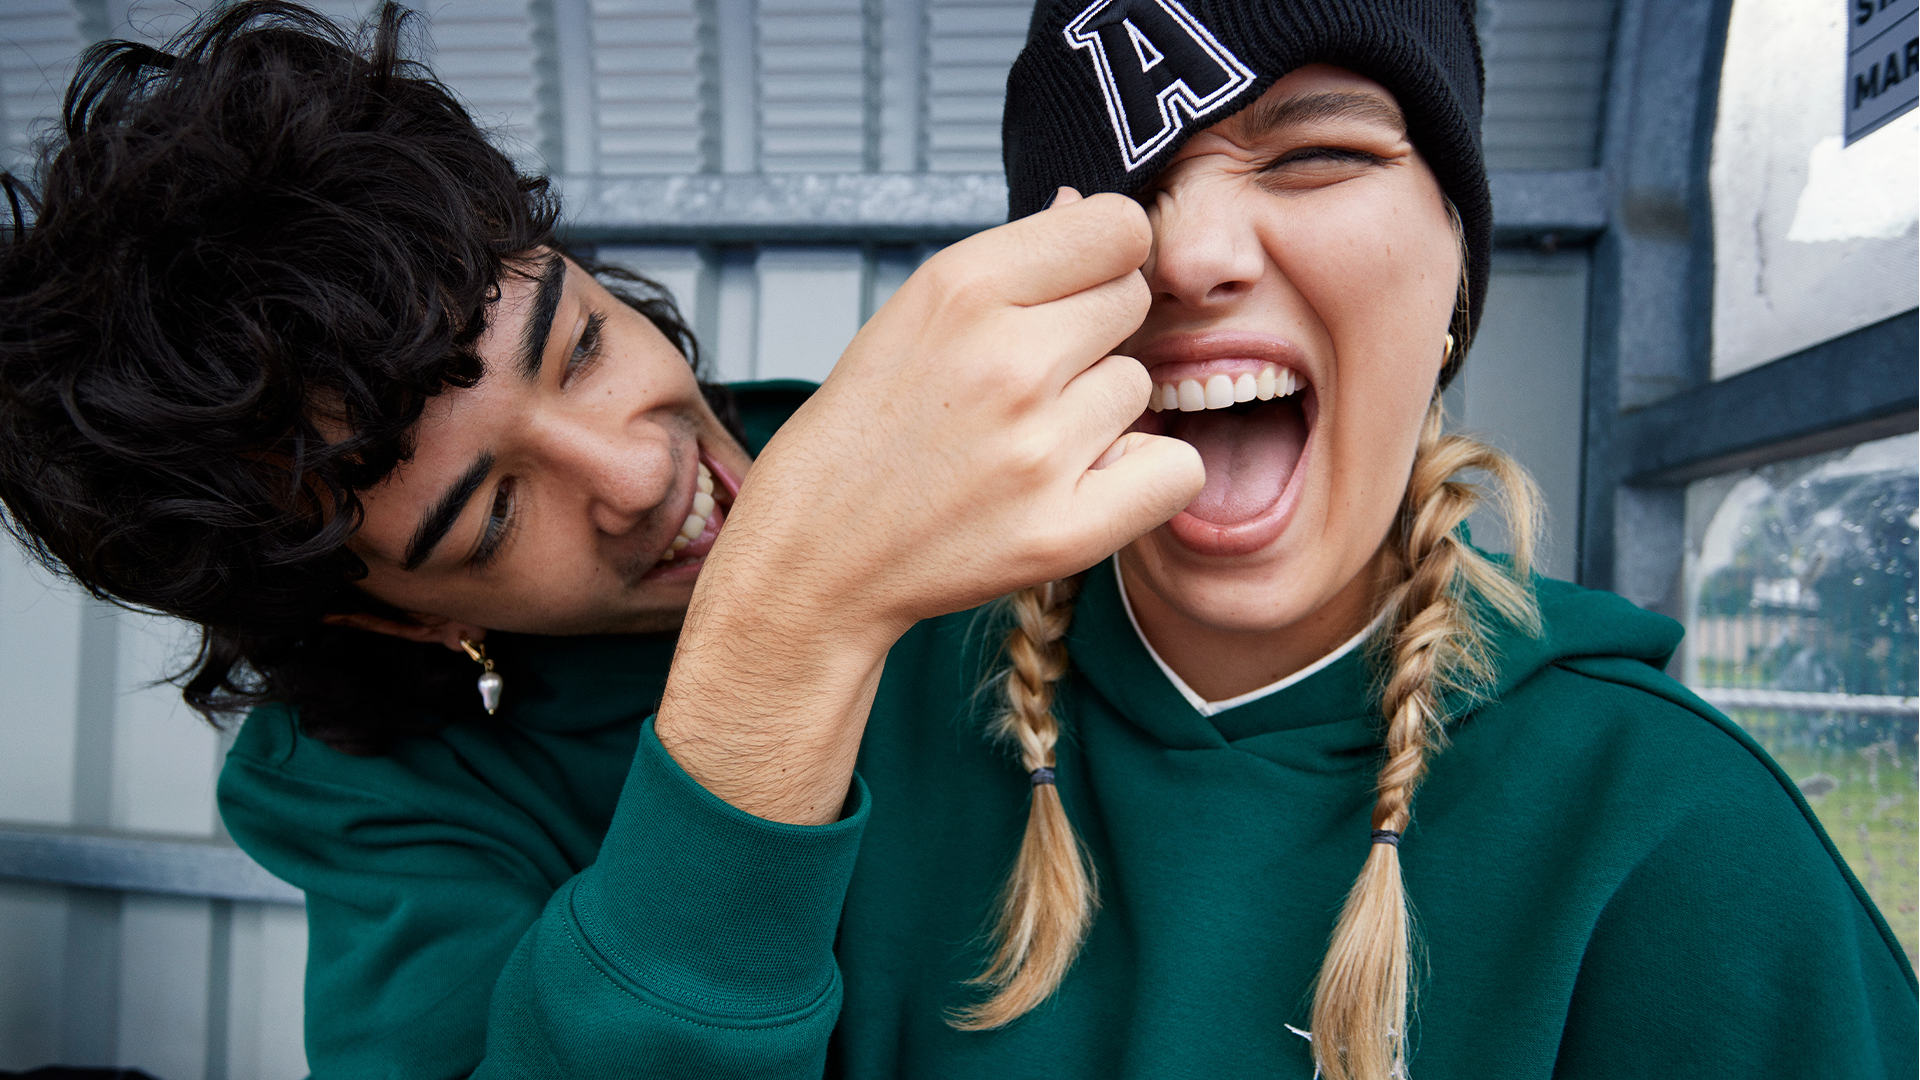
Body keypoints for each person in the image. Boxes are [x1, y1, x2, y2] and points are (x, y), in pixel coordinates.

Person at [5, 5, 1912, 1080]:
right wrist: (787, 637)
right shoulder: (381, 784)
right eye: (490, 511)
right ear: (395, 625)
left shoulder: (1653, 831)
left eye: (586, 337)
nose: (646, 465)